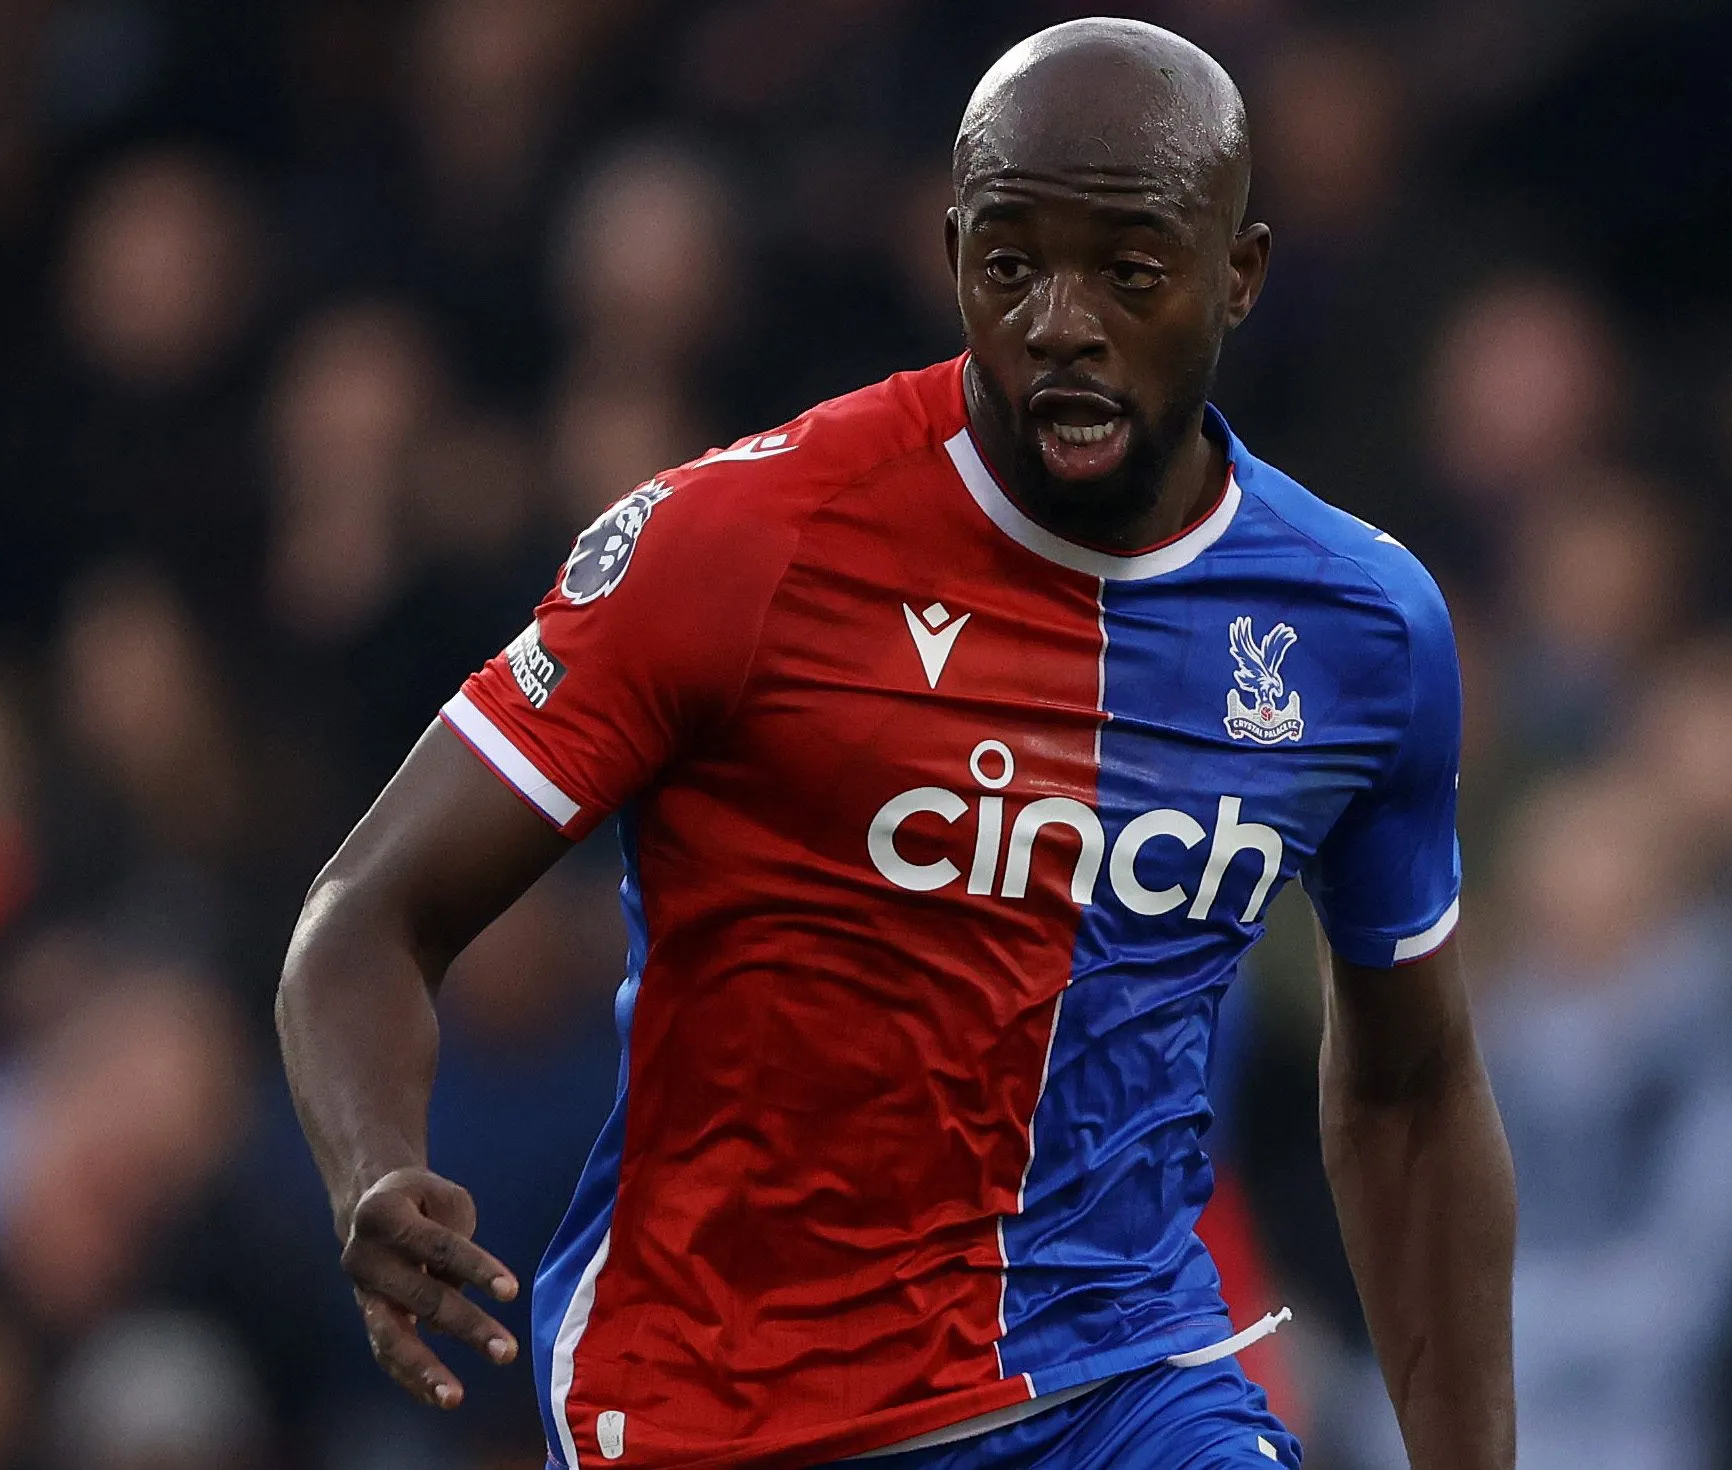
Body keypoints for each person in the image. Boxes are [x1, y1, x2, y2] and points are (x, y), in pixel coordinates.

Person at [275, 18, 1515, 1470]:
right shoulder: (735, 545)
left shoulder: (1360, 631)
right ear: (951, 257)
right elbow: (367, 912)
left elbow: (1414, 1089)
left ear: (1238, 274)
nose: (1062, 317)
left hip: (1117, 1383)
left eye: (1128, 270)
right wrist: (374, 1166)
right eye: (1011, 263)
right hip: (719, 1404)